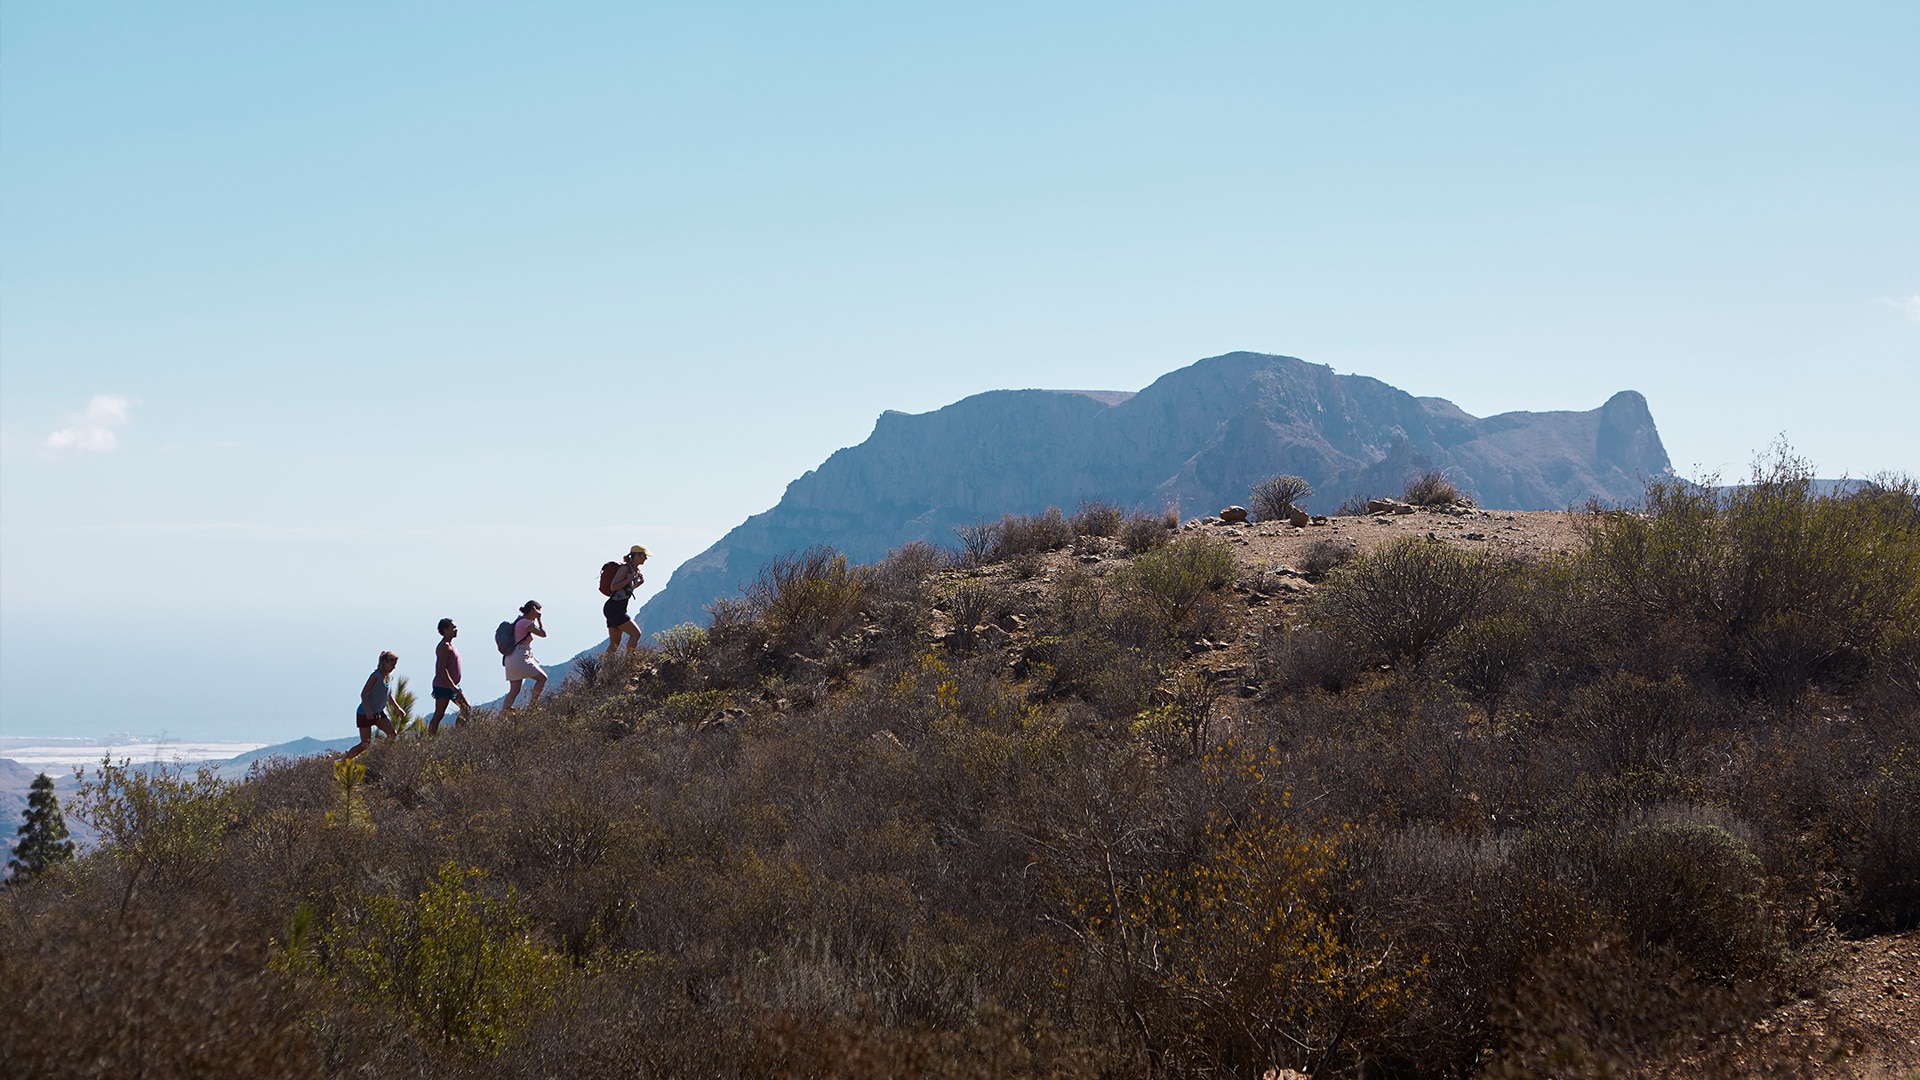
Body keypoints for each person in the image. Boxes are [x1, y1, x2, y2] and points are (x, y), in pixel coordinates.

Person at [345, 651, 401, 759]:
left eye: (395, 665)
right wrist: (368, 710)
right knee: (365, 744)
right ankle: (344, 761)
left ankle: (382, 756)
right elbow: (364, 693)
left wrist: (397, 708)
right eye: (392, 664)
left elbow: (388, 695)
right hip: (364, 713)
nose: (393, 668)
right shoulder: (375, 676)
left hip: (378, 713)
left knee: (392, 734)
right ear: (384, 662)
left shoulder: (388, 677)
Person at [501, 600, 548, 712]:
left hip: (511, 658)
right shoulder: (525, 623)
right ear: (533, 610)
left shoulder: (519, 621)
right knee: (542, 678)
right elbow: (543, 633)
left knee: (514, 690)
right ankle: (532, 706)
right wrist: (539, 619)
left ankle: (504, 713)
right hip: (520, 658)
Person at [604, 545, 649, 656]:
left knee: (614, 643)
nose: (646, 558)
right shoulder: (625, 569)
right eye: (644, 555)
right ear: (637, 555)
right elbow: (614, 587)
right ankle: (629, 664)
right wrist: (628, 579)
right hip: (615, 609)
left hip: (614, 608)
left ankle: (605, 670)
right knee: (636, 634)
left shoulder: (634, 570)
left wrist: (638, 584)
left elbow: (625, 590)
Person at [429, 618, 471, 734]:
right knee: (439, 714)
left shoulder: (450, 645)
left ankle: (457, 734)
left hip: (451, 686)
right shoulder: (444, 647)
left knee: (466, 709)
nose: (456, 629)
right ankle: (430, 741)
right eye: (453, 627)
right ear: (445, 630)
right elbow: (441, 668)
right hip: (445, 686)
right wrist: (451, 686)